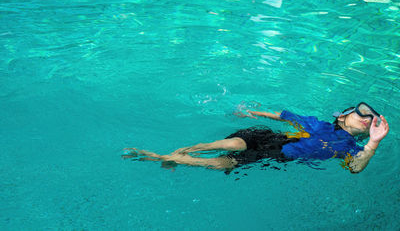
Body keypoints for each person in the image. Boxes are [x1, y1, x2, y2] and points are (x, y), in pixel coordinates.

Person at [122, 102, 389, 173]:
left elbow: (356, 169)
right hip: (270, 137)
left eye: (371, 122)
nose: (368, 120)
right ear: (342, 116)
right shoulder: (317, 123)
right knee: (232, 145)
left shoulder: (352, 148)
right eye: (362, 113)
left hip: (278, 155)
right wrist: (251, 113)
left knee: (226, 161)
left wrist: (374, 141)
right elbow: (283, 117)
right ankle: (183, 152)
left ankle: (168, 157)